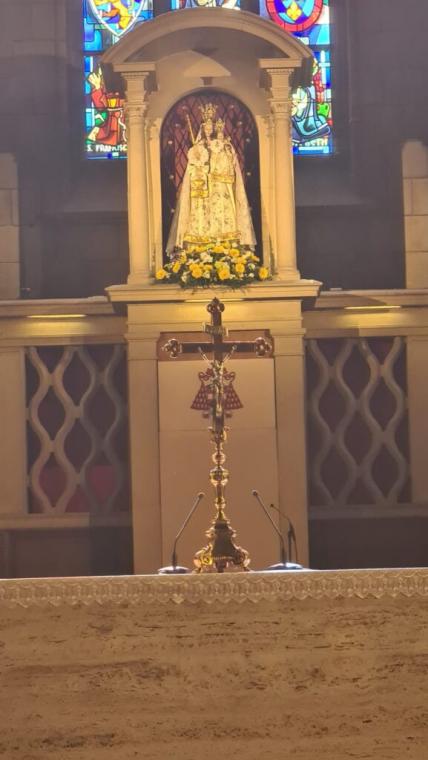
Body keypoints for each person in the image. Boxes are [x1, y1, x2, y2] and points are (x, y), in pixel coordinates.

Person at [166, 104, 255, 252]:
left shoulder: (223, 146)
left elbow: (230, 164)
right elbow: (193, 166)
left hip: (220, 187)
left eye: (211, 128)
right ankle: (199, 247)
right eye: (206, 128)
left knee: (222, 214)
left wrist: (223, 153)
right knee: (201, 215)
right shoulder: (198, 147)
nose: (209, 130)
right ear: (202, 128)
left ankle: (227, 245)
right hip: (203, 187)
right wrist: (200, 162)